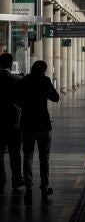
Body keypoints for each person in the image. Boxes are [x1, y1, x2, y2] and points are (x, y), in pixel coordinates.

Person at [15, 60, 59, 204]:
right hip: (43, 125)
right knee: (44, 158)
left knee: (27, 157)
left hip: (27, 125)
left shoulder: (24, 81)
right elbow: (56, 98)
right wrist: (44, 91)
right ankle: (44, 187)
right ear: (44, 71)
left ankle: (28, 187)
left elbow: (18, 102)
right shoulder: (45, 81)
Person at [0, 52, 24, 194]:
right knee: (15, 152)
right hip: (13, 123)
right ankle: (16, 179)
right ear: (11, 64)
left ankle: (0, 179)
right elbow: (21, 102)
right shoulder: (16, 80)